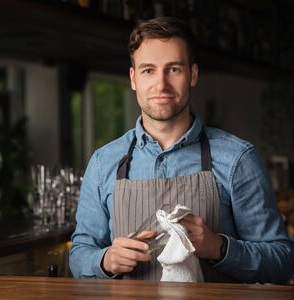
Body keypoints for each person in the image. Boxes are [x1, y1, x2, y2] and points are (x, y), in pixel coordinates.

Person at [69, 16, 293, 283]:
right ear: (133, 79)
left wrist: (218, 248)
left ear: (193, 74)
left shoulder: (237, 159)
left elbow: (282, 260)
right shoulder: (103, 162)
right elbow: (79, 255)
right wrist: (105, 260)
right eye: (148, 70)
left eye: (173, 69)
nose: (161, 85)